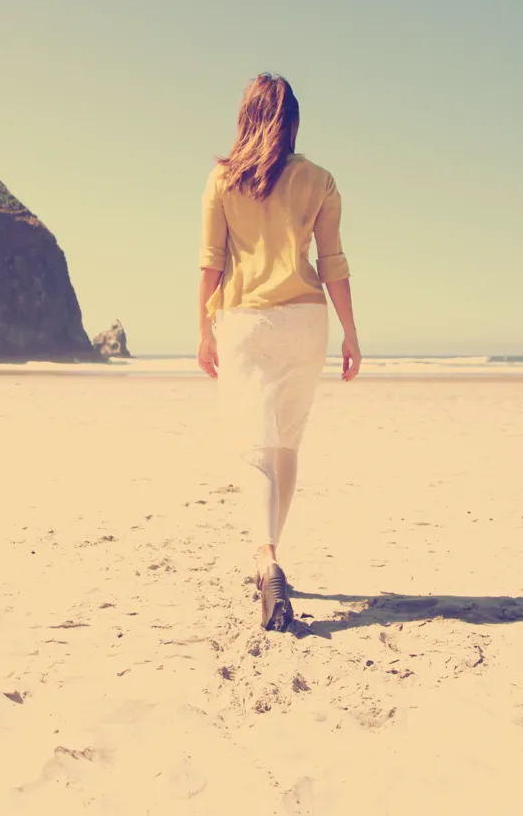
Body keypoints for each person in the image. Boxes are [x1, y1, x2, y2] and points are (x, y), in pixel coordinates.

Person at [196, 72, 361, 632]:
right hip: (305, 320)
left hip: (244, 321)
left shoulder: (222, 181)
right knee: (286, 444)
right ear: (292, 121)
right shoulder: (320, 181)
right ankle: (272, 560)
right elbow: (333, 262)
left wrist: (202, 328)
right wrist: (351, 333)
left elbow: (210, 263)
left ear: (245, 117)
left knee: (254, 449)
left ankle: (265, 558)